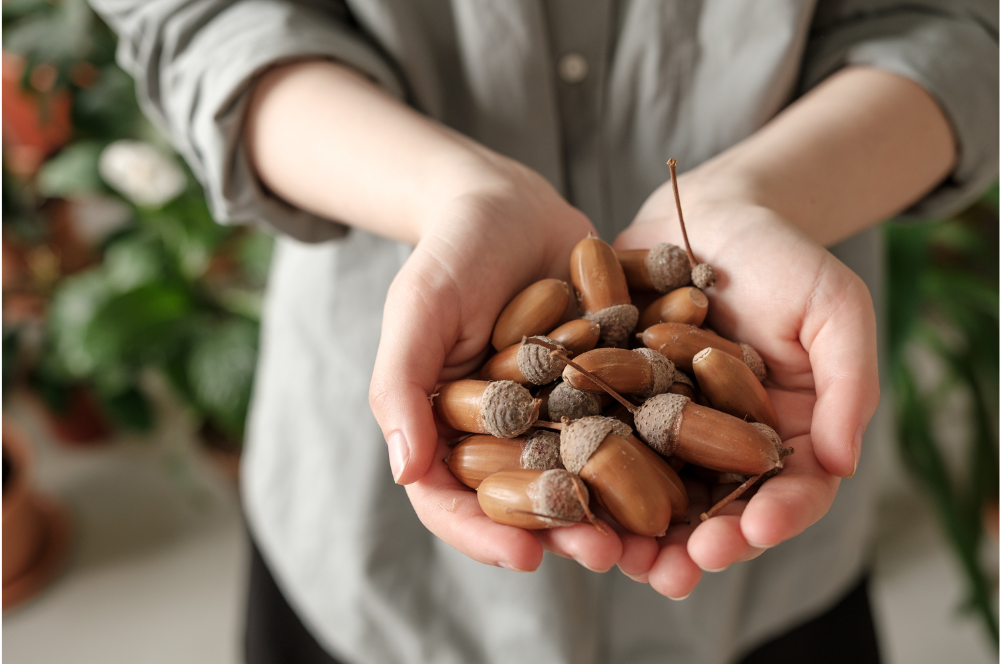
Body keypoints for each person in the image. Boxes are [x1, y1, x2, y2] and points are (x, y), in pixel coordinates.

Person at [92, 1, 998, 662]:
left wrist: (763, 196)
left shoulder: (654, 346)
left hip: (763, 595)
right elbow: (205, 20)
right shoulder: (603, 365)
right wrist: (446, 194)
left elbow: (956, 28)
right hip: (371, 554)